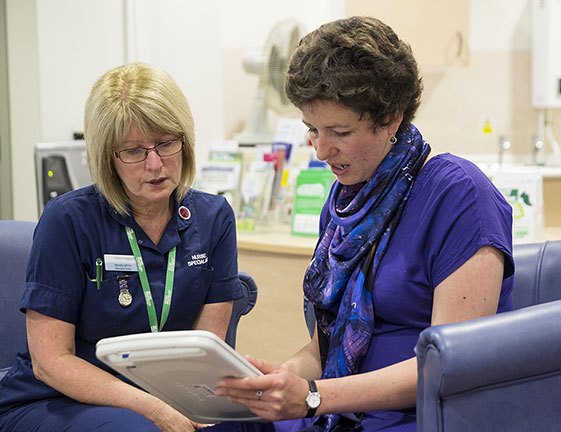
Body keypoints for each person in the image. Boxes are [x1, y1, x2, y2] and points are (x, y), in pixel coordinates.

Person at [208, 16, 514, 432]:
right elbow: (322, 349)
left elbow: (451, 364)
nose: (321, 150)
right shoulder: (346, 205)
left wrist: (315, 396)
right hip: (337, 410)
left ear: (391, 119)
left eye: (339, 131)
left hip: (423, 418)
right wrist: (276, 383)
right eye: (312, 130)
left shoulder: (458, 194)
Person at [0, 62, 243, 432]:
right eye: (133, 151)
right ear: (106, 158)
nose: (155, 164)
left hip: (168, 392)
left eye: (165, 143)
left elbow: (205, 348)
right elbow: (51, 362)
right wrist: (156, 410)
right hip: (57, 398)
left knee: (249, 424)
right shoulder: (67, 219)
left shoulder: (214, 218)